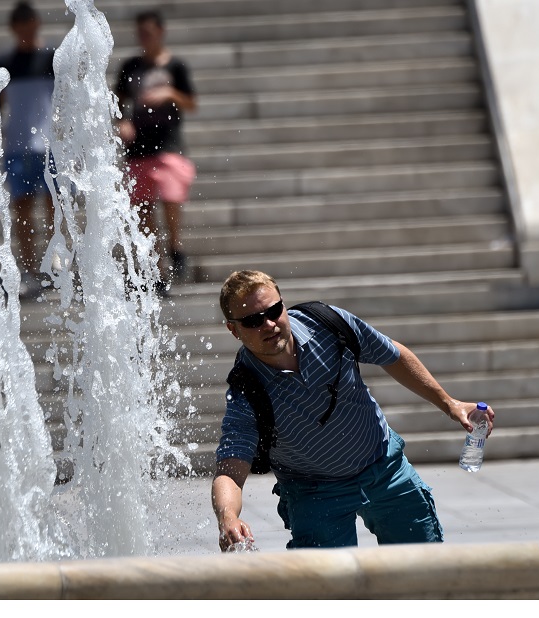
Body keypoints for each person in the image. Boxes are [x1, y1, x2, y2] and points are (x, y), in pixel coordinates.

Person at [211, 270, 495, 551]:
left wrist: (450, 403)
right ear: (233, 329)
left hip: (383, 466)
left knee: (423, 572)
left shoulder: (326, 324)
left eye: (274, 310)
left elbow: (393, 355)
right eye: (253, 321)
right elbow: (231, 471)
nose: (269, 324)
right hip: (315, 492)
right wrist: (228, 516)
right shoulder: (246, 388)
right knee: (329, 590)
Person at [113, 9, 197, 292]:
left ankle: (175, 245)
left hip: (169, 145)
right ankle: (156, 266)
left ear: (160, 32)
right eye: (140, 32)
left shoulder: (176, 67)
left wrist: (170, 93)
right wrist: (122, 121)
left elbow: (191, 103)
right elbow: (117, 101)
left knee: (171, 197)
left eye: (148, 31)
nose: (144, 37)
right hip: (137, 149)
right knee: (143, 210)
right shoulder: (130, 66)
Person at [0, 1, 56, 299]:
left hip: (50, 145)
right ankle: (30, 270)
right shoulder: (4, 61)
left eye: (30, 24)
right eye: (21, 26)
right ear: (14, 28)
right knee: (23, 211)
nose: (27, 31)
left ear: (37, 23)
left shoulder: (52, 58)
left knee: (55, 208)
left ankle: (58, 267)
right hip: (18, 146)